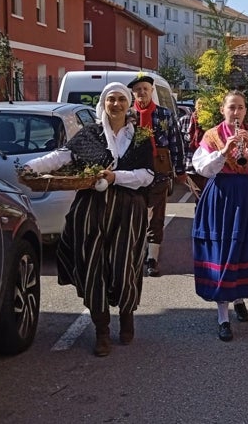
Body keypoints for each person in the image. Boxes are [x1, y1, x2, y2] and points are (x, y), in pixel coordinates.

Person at [23, 82, 154, 357]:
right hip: (91, 208)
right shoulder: (89, 134)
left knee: (125, 265)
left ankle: (127, 315)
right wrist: (30, 167)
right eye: (111, 100)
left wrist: (116, 177)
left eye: (121, 99)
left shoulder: (140, 137)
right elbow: (60, 157)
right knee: (93, 265)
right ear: (103, 104)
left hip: (129, 210)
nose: (116, 104)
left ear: (128, 104)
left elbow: (147, 175)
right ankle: (102, 330)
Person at [192, 90, 248, 341]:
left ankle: (239, 297)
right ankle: (223, 317)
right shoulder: (212, 135)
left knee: (242, 250)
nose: (236, 112)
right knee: (223, 251)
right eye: (232, 107)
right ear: (223, 110)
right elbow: (202, 168)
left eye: (240, 108)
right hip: (222, 195)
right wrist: (224, 151)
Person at [128, 73, 187, 277]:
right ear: (133, 93)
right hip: (133, 173)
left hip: (159, 171)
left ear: (152, 91)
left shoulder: (164, 114)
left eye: (145, 88)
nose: (142, 92)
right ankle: (135, 253)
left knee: (156, 215)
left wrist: (180, 169)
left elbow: (175, 141)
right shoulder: (128, 115)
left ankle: (152, 258)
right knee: (135, 214)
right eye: (138, 90)